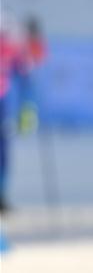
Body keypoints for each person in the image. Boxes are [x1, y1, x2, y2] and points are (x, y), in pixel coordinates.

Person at [0, 13, 46, 212]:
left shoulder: (10, 45)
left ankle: (1, 195)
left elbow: (29, 62)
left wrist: (35, 39)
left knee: (3, 150)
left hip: (2, 101)